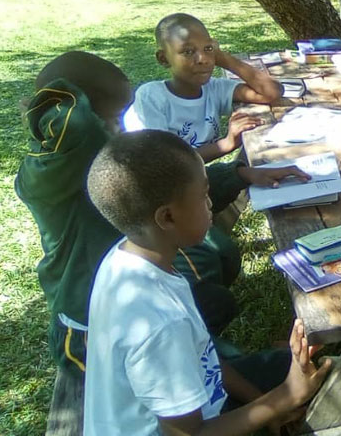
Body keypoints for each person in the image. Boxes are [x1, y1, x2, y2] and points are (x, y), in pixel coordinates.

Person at [14, 52, 257, 433]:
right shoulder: (57, 174)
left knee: (216, 295)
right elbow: (78, 124)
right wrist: (58, 96)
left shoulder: (94, 162)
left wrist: (239, 174)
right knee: (210, 355)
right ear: (88, 117)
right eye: (113, 119)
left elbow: (172, 186)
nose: (120, 130)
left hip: (131, 300)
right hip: (84, 331)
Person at [83, 129, 332, 435]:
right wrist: (286, 396)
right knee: (319, 386)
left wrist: (265, 404)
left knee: (292, 367)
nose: (211, 204)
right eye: (203, 196)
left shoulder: (126, 258)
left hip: (197, 405)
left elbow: (202, 353)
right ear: (167, 217)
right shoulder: (161, 324)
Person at [123, 13, 300, 214]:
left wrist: (224, 59)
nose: (203, 59)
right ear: (164, 58)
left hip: (189, 179)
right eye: (188, 52)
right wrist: (226, 144)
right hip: (154, 194)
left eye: (208, 49)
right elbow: (167, 166)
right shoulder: (152, 97)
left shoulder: (213, 88)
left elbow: (271, 92)